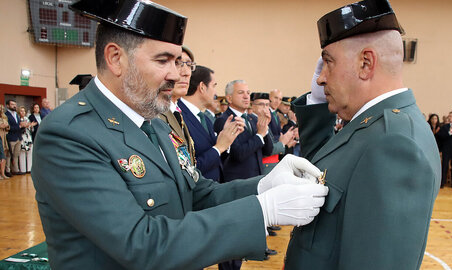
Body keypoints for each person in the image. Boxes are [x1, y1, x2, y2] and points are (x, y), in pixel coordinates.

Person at [31, 1, 329, 269]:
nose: (175, 75)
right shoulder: (70, 134)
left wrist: (263, 186)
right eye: (163, 61)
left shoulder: (157, 124)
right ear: (115, 58)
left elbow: (199, 195)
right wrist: (262, 211)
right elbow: (140, 245)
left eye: (177, 62)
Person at [284, 0, 441, 269]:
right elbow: (322, 170)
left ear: (366, 63)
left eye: (328, 63)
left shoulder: (395, 143)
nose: (321, 78)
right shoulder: (373, 126)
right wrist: (317, 104)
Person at [213, 81, 274, 270]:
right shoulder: (225, 120)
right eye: (241, 93)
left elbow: (267, 150)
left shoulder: (250, 119)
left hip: (251, 182)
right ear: (229, 98)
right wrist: (259, 135)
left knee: (241, 233)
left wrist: (265, 129)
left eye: (248, 93)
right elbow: (238, 153)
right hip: (235, 182)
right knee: (230, 233)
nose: (247, 96)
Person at [179, 66, 243, 182]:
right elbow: (188, 169)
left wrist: (227, 137)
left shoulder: (205, 119)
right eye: (214, 86)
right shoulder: (178, 116)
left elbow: (215, 155)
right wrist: (219, 147)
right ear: (202, 87)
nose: (216, 93)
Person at [158, 45, 196, 160]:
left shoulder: (177, 112)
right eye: (178, 63)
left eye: (189, 65)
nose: (186, 73)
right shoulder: (154, 115)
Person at [5, 100, 25, 176]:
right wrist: (19, 126)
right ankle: (7, 170)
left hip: (18, 137)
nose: (14, 106)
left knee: (16, 154)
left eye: (15, 104)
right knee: (9, 155)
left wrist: (23, 126)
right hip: (11, 137)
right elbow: (8, 127)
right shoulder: (6, 115)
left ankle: (15, 169)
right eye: (12, 104)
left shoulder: (16, 114)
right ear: (7, 106)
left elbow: (19, 124)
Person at [18, 106, 35, 173]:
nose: (23, 112)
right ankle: (23, 169)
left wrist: (31, 126)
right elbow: (19, 129)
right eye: (21, 111)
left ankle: (29, 169)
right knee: (22, 153)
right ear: (19, 112)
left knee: (29, 153)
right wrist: (23, 126)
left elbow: (31, 130)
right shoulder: (18, 119)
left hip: (28, 138)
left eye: (24, 111)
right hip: (22, 137)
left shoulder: (27, 119)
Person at [0, 105, 10, 179]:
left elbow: (7, 127)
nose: (2, 110)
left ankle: (3, 173)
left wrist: (6, 126)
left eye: (3, 109)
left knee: (4, 156)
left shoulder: (4, 117)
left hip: (4, 138)